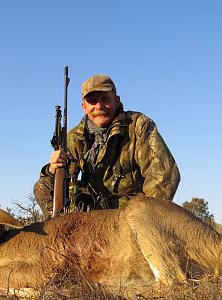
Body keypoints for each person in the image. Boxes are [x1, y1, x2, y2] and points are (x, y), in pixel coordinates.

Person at [34, 74, 180, 216]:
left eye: (105, 99)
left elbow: (164, 174)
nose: (99, 106)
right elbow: (53, 178)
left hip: (127, 216)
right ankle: (64, 232)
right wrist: (52, 169)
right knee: (43, 185)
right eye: (92, 101)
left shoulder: (138, 125)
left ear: (116, 100)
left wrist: (146, 218)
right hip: (91, 214)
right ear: (84, 106)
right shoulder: (74, 137)